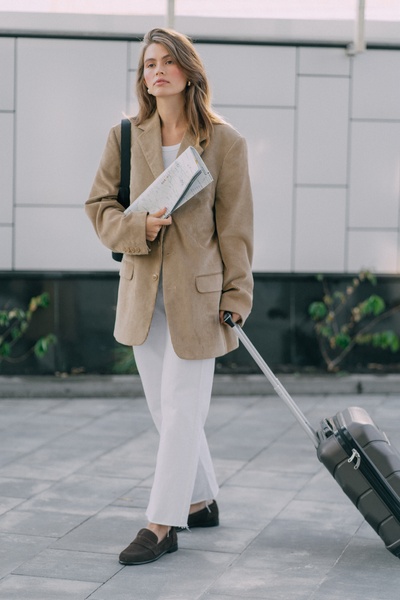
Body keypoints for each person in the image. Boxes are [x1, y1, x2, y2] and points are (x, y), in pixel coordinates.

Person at [85, 27, 253, 566]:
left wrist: (237, 295)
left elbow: (236, 228)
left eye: (166, 62)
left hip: (200, 300)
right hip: (141, 294)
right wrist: (139, 227)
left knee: (182, 409)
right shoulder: (126, 136)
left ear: (187, 71)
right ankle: (200, 500)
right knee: (165, 409)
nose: (155, 71)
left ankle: (160, 525)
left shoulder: (225, 142)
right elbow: (99, 208)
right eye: (148, 64)